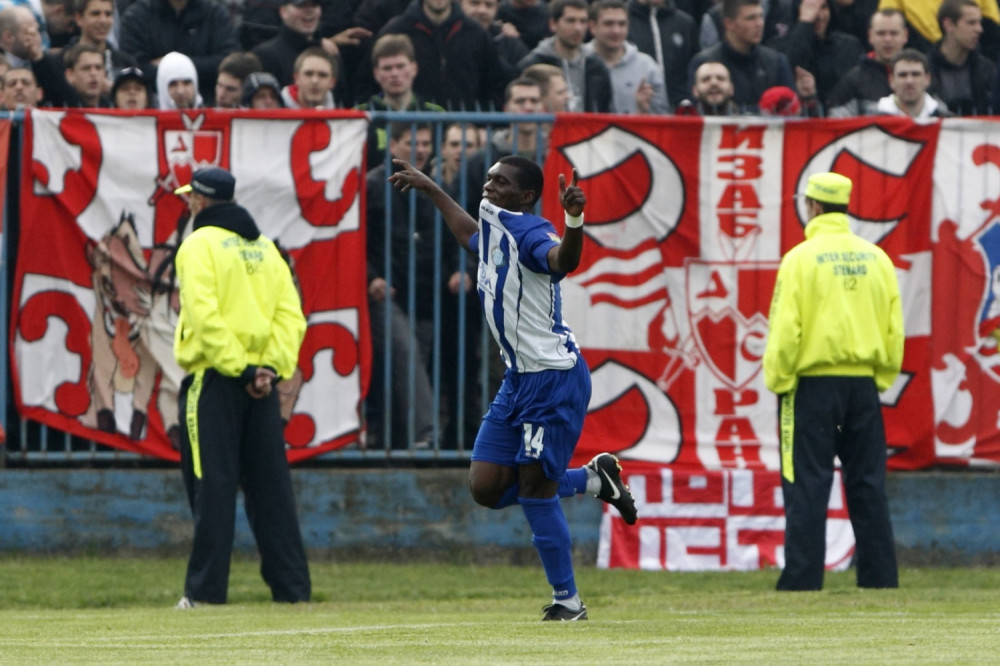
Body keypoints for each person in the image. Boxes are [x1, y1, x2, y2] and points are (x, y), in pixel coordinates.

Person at [388, 154, 639, 621]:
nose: (489, 186)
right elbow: (470, 235)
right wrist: (431, 188)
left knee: (535, 492)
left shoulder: (533, 233)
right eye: (488, 178)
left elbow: (562, 260)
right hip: (518, 378)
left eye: (500, 182)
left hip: (553, 379)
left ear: (525, 196)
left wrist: (574, 220)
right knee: (486, 487)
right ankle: (592, 479)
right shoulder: (494, 222)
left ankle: (568, 602)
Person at [172, 166, 310, 608]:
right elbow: (291, 316)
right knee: (272, 490)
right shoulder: (266, 248)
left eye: (190, 197)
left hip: (216, 379)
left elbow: (204, 316)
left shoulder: (198, 245)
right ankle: (294, 593)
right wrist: (268, 369)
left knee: (212, 487)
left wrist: (241, 369)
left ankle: (204, 593)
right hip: (263, 386)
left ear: (199, 200)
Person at [763, 171, 902, 591]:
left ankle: (802, 580)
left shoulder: (800, 259)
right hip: (863, 387)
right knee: (868, 484)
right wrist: (880, 377)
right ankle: (879, 580)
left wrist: (780, 379)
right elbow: (894, 328)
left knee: (807, 483)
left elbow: (786, 329)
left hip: (811, 387)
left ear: (813, 206)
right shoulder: (877, 258)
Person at [365, 123, 438, 449]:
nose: (420, 149)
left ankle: (398, 441)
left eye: (425, 143)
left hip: (423, 294)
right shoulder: (373, 184)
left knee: (411, 366)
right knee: (406, 356)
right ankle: (427, 433)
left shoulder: (432, 185)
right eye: (412, 142)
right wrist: (371, 277)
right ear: (392, 145)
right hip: (387, 292)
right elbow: (357, 237)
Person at [377, 0, 508, 110]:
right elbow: (373, 81)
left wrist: (481, 126)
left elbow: (494, 85)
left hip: (464, 128)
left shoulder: (476, 34)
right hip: (410, 128)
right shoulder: (396, 30)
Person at [118, 0, 240, 105]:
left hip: (208, 107)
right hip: (150, 110)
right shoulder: (136, 16)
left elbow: (228, 63)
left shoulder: (215, 14)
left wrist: (170, 65)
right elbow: (133, 67)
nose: (180, 90)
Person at [354, 34, 444, 171]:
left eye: (400, 66)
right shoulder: (359, 115)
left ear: (414, 68)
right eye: (387, 68)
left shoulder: (436, 114)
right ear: (376, 73)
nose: (395, 74)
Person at [687, 0, 796, 112]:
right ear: (729, 24)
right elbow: (696, 111)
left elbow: (791, 108)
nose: (759, 24)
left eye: (761, 16)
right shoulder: (704, 63)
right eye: (750, 18)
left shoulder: (776, 62)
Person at [518, 0, 615, 112]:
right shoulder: (533, 64)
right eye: (570, 21)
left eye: (583, 21)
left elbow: (605, 109)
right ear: (553, 24)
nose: (578, 28)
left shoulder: (596, 66)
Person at [768, 0, 864, 106]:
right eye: (810, 7)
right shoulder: (777, 46)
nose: (818, 15)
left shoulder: (849, 45)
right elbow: (790, 67)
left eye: (824, 7)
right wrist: (805, 23)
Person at [586, 0, 669, 113]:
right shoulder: (579, 61)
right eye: (609, 24)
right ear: (592, 26)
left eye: (622, 24)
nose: (616, 31)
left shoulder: (647, 67)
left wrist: (643, 111)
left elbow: (662, 116)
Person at [826, 8, 908, 117]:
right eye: (881, 33)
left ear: (905, 35)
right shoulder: (852, 82)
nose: (887, 39)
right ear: (870, 36)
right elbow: (838, 122)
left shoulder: (921, 74)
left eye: (894, 33)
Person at [626, 0, 699, 110]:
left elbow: (694, 69)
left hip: (680, 110)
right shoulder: (622, 22)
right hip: (635, 108)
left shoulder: (685, 23)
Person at [929, 0, 995, 115]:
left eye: (979, 23)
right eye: (971, 23)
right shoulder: (924, 70)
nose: (979, 29)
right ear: (948, 25)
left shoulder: (988, 71)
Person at [876, 48, 952, 117]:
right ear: (891, 80)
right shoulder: (875, 115)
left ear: (927, 79)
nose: (909, 81)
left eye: (916, 74)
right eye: (902, 75)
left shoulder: (943, 117)